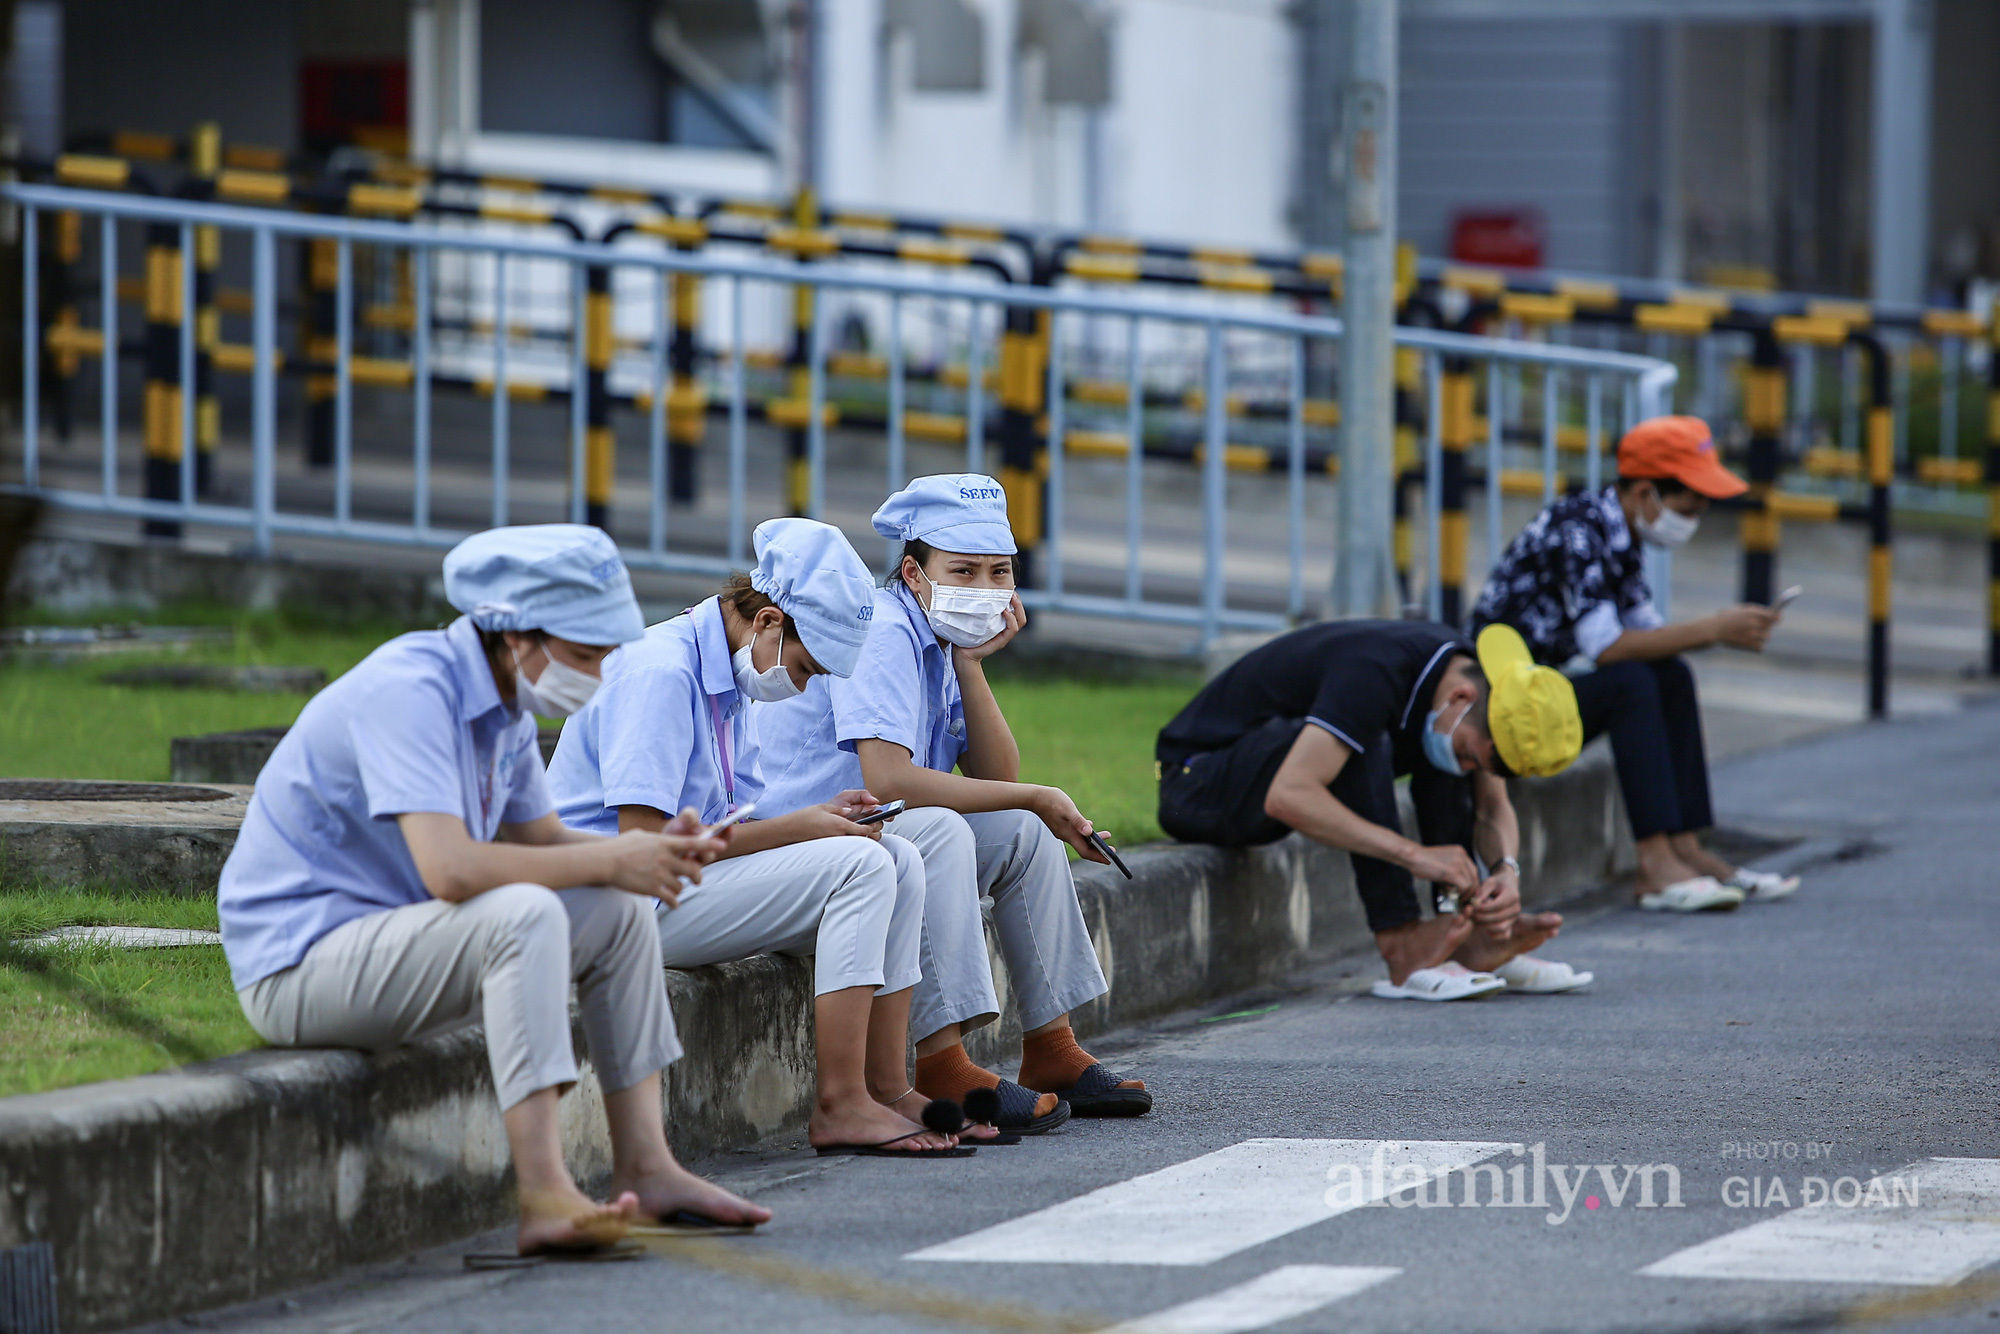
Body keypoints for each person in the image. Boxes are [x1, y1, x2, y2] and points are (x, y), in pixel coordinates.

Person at [218, 524, 770, 1259]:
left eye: (607, 653)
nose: (600, 675)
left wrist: (648, 853)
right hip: (299, 968)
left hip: (395, 943)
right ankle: (544, 1193)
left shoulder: (502, 702)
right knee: (526, 915)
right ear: (515, 636)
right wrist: (615, 858)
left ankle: (649, 1165)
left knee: (615, 910)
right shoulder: (411, 689)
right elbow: (451, 871)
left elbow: (540, 839)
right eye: (582, 655)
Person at [547, 516, 974, 1158]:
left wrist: (821, 814)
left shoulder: (726, 675)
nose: (801, 686)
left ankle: (884, 1088)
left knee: (899, 857)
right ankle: (840, 1104)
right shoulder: (661, 672)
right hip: (614, 903)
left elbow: (726, 822)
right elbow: (643, 849)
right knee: (859, 866)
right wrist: (800, 828)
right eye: (806, 669)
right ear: (770, 622)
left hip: (671, 888)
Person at [752, 474, 1151, 1127]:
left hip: (874, 835)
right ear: (913, 573)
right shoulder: (882, 629)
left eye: (1001, 573)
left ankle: (1052, 1046)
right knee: (944, 829)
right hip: (807, 841)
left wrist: (973, 667)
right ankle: (942, 1063)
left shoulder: (941, 645)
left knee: (1020, 827)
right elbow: (887, 782)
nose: (986, 590)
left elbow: (996, 776)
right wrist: (1040, 794)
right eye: (963, 570)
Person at [1157, 619, 1591, 1001]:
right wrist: (1417, 856)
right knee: (1362, 739)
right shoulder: (1375, 672)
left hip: (1266, 766)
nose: (1468, 769)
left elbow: (1492, 805)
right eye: (1470, 755)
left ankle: (1465, 933)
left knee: (1435, 758)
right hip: (1197, 780)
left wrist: (1505, 874)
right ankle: (1401, 941)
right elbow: (1289, 796)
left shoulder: (1467, 692)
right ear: (1462, 696)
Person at [1471, 414, 1800, 913]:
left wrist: (1719, 631)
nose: (1696, 516)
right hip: (1504, 716)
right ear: (1646, 493)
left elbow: (1647, 633)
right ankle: (1653, 863)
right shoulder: (1576, 533)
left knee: (1669, 674)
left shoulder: (1620, 537)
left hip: (1545, 699)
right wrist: (1712, 629)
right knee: (1630, 683)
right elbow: (1608, 647)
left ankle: (1686, 847)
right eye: (1689, 505)